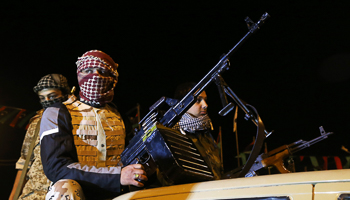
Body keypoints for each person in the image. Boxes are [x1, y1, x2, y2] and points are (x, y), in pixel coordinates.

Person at [39, 50, 147, 200]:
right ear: (78, 74)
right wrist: (116, 177)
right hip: (81, 191)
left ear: (113, 78)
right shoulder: (57, 112)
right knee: (63, 189)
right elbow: (56, 168)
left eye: (102, 71)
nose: (95, 76)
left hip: (118, 191)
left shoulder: (119, 115)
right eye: (88, 70)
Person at [9, 74, 71, 200]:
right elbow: (24, 163)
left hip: (63, 194)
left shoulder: (78, 119)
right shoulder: (37, 122)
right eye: (42, 98)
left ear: (65, 94)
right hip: (31, 195)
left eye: (52, 96)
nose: (47, 100)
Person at [172, 82, 223, 180]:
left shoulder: (204, 130)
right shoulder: (174, 134)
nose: (205, 105)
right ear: (182, 104)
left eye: (205, 100)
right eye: (198, 100)